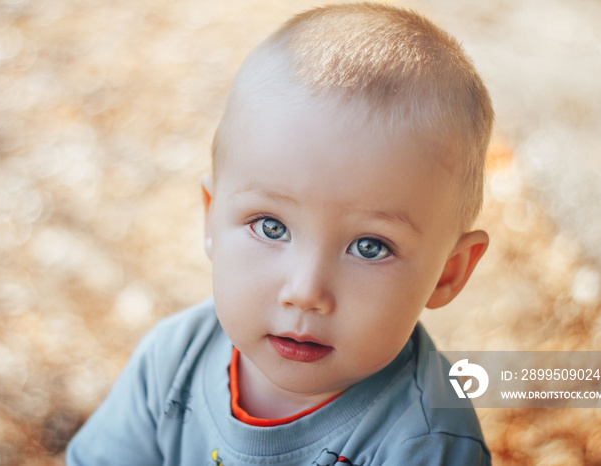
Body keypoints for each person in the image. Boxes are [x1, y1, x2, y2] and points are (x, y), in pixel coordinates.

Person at [67, 3, 494, 465]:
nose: (306, 292)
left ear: (448, 272)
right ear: (211, 220)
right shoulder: (172, 362)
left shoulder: (424, 445)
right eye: (272, 227)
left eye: (369, 247)